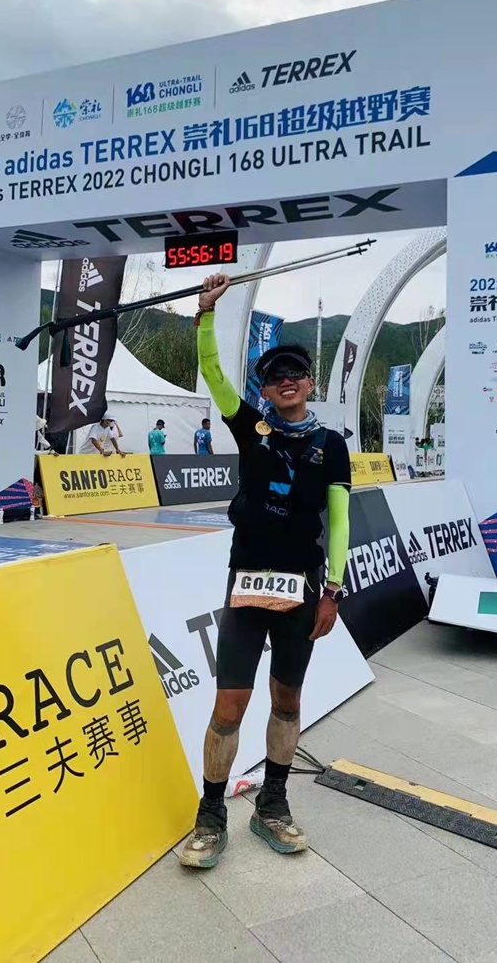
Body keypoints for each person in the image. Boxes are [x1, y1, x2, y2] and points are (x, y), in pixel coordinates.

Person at [178, 273, 351, 870]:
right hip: (247, 587)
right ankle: (210, 814)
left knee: (287, 700)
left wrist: (333, 590)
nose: (285, 381)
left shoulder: (331, 444)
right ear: (265, 388)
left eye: (295, 373)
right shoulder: (249, 426)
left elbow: (339, 520)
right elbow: (213, 375)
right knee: (229, 704)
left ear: (310, 382)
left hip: (304, 588)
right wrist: (205, 316)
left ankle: (272, 804)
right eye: (274, 376)